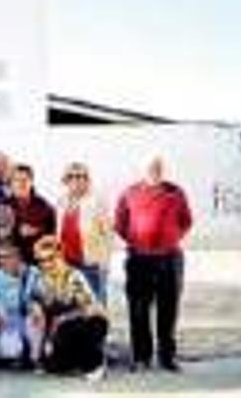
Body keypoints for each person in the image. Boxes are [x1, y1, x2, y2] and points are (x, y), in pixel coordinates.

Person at [114, 156, 192, 373]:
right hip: (139, 259)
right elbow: (120, 224)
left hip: (169, 259)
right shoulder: (129, 193)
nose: (155, 171)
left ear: (164, 170)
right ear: (143, 170)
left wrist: (171, 238)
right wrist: (138, 240)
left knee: (168, 310)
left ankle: (167, 358)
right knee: (138, 310)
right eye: (151, 167)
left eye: (159, 167)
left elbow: (186, 221)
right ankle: (141, 357)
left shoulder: (175, 192)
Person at [29, 236, 109, 380]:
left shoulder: (74, 276)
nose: (46, 264)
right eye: (41, 260)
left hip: (86, 321)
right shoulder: (40, 279)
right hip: (59, 330)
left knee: (83, 326)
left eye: (51, 258)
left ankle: (96, 366)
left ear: (60, 255)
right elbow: (35, 301)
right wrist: (35, 308)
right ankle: (63, 361)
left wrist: (63, 318)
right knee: (56, 367)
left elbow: (88, 308)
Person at [56, 162, 112, 303]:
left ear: (87, 180)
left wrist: (104, 264)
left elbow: (108, 234)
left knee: (95, 306)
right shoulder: (61, 201)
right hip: (67, 264)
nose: (75, 179)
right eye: (71, 176)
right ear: (66, 180)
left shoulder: (97, 200)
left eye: (80, 176)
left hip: (90, 264)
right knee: (73, 306)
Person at [5, 164, 56, 264]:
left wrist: (37, 232)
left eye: (25, 180)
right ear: (11, 184)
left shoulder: (45, 206)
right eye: (16, 180)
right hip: (12, 264)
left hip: (39, 263)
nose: (21, 184)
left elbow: (53, 237)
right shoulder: (3, 206)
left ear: (31, 182)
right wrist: (17, 231)